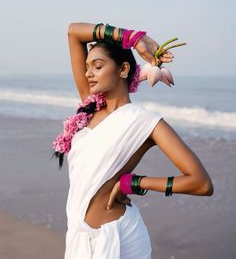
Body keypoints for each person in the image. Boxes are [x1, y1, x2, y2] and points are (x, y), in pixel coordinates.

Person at [53, 22, 214, 258]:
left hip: (121, 239)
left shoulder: (145, 122)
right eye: (87, 66)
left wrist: (136, 183)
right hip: (77, 238)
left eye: (97, 66)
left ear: (123, 69)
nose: (88, 73)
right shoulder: (88, 106)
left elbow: (201, 183)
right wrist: (134, 38)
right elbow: (73, 32)